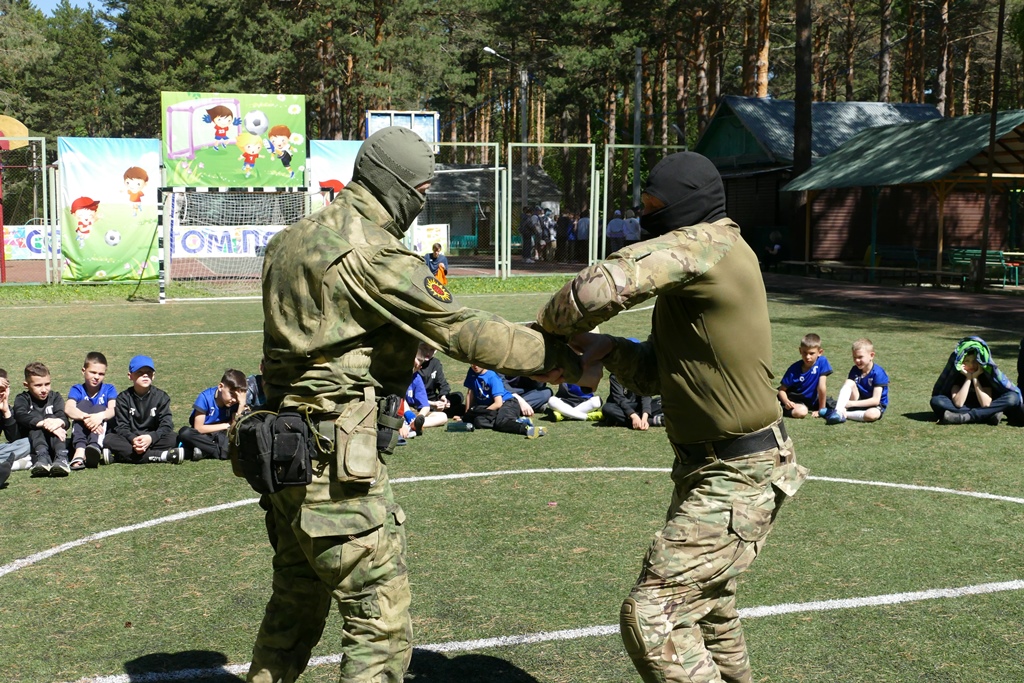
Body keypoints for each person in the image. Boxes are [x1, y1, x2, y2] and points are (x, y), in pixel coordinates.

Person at [251, 126, 580, 683]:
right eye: (421, 189)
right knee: (378, 621)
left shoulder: (291, 238)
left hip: (281, 450)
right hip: (335, 461)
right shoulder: (374, 254)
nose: (423, 200)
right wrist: (563, 357)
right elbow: (463, 330)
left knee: (295, 599)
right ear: (398, 186)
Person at [536, 151, 807, 683]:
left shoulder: (709, 244)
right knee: (709, 612)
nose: (645, 215)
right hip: (710, 470)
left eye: (654, 206)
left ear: (687, 204)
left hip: (738, 472)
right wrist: (609, 348)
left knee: (652, 613)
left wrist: (542, 332)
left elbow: (599, 287)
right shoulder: (702, 268)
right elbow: (660, 375)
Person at [105, 356, 183, 464]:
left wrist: (151, 438)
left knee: (173, 438)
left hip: (152, 438)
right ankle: (162, 456)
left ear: (153, 375)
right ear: (130, 376)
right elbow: (121, 426)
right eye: (140, 372)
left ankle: (120, 456)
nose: (145, 375)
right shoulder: (123, 398)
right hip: (131, 440)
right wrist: (133, 439)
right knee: (109, 439)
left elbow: (166, 424)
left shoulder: (161, 397)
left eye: (149, 372)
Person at [930, 336, 1021, 425]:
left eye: (974, 361)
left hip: (986, 405)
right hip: (965, 407)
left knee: (1012, 398)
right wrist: (968, 378)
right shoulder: (957, 375)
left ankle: (965, 417)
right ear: (961, 362)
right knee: (936, 401)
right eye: (967, 361)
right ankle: (987, 415)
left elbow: (985, 403)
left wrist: (975, 378)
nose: (972, 365)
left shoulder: (985, 375)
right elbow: (959, 403)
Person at [13, 362, 70, 477]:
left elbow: (64, 417)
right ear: (26, 384)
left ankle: (61, 458)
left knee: (54, 419)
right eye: (38, 385)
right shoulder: (22, 399)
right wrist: (43, 423)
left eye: (47, 384)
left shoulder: (55, 397)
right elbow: (20, 415)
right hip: (33, 444)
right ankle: (42, 458)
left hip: (54, 441)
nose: (44, 389)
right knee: (36, 422)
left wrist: (57, 422)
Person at [64, 351, 118, 469]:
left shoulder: (109, 389)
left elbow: (113, 409)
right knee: (82, 404)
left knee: (99, 408)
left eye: (101, 374)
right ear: (83, 371)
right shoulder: (77, 389)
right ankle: (80, 450)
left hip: (101, 431)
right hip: (82, 431)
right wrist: (86, 417)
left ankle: (94, 448)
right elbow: (68, 408)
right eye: (93, 372)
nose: (96, 377)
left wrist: (99, 416)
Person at [177, 369, 247, 460]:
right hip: (204, 435)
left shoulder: (236, 402)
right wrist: (227, 425)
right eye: (231, 394)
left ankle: (204, 451)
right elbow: (199, 428)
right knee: (185, 433)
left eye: (237, 396)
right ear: (220, 386)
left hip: (222, 435)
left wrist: (241, 405)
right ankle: (222, 452)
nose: (234, 399)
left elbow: (236, 429)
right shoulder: (205, 397)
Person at [462, 364, 546, 437]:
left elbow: (498, 403)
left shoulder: (492, 376)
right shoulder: (472, 371)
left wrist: (482, 412)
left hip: (507, 402)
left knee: (501, 423)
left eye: (477, 363)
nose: (475, 366)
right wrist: (466, 416)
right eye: (472, 363)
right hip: (491, 406)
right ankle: (514, 421)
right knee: (478, 422)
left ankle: (528, 429)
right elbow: (470, 393)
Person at [825, 338, 888, 424]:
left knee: (872, 415)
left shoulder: (879, 373)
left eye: (860, 357)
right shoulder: (855, 369)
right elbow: (850, 389)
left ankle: (843, 414)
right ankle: (838, 411)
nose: (857, 360)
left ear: (871, 355)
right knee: (849, 382)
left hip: (874, 406)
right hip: (857, 401)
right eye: (854, 357)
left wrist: (851, 404)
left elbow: (875, 400)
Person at [778, 333, 833, 419]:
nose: (807, 357)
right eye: (804, 353)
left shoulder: (822, 362)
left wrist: (821, 409)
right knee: (802, 411)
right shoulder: (794, 369)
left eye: (811, 353)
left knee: (836, 406)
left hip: (812, 401)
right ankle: (778, 409)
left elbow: (822, 387)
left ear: (820, 352)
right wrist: (787, 402)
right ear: (800, 351)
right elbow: (781, 390)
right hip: (795, 400)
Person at [416, 342, 464, 418]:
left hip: (433, 399)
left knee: (459, 396)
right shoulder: (415, 365)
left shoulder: (435, 363)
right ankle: (432, 410)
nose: (428, 352)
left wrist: (443, 397)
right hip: (418, 400)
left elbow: (443, 384)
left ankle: (438, 409)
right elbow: (411, 394)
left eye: (432, 349)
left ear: (435, 351)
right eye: (424, 348)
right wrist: (432, 404)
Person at [0, 368, 31, 487]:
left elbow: (15, 439)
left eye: (2, 390)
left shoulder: (5, 409)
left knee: (28, 442)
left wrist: (6, 411)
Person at [402, 356, 447, 436]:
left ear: (419, 367)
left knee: (443, 416)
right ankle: (408, 423)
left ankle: (414, 424)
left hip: (413, 411)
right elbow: (400, 399)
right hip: (398, 411)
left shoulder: (417, 378)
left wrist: (420, 417)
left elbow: (425, 405)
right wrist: (408, 414)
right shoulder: (398, 377)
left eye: (415, 366)